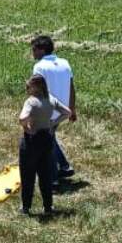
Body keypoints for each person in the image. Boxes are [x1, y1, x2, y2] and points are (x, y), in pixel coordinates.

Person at [18, 74, 72, 216]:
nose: (27, 89)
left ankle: (26, 207)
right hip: (47, 139)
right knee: (45, 174)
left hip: (31, 141)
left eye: (28, 87)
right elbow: (67, 112)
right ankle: (48, 207)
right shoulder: (51, 99)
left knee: (27, 174)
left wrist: (27, 128)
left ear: (36, 87)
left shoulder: (31, 102)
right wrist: (53, 123)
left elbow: (22, 118)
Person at [31, 35, 77, 185]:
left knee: (45, 142)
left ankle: (53, 178)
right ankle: (64, 166)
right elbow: (71, 87)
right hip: (62, 110)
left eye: (34, 50)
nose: (33, 53)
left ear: (42, 50)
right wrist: (72, 108)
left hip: (47, 111)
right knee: (50, 138)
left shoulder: (39, 67)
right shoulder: (65, 63)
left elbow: (37, 90)